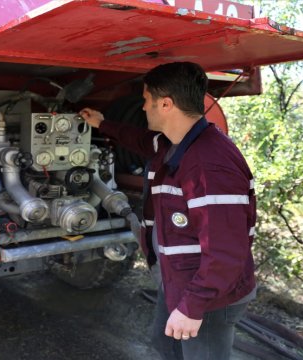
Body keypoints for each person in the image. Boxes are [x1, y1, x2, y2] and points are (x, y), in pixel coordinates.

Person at [79, 62, 256, 360]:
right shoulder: (175, 144)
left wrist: (193, 306)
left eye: (146, 100)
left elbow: (226, 251)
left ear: (166, 104)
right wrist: (102, 124)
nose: (144, 108)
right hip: (180, 281)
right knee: (165, 351)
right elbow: (141, 140)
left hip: (210, 295)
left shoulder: (210, 165)